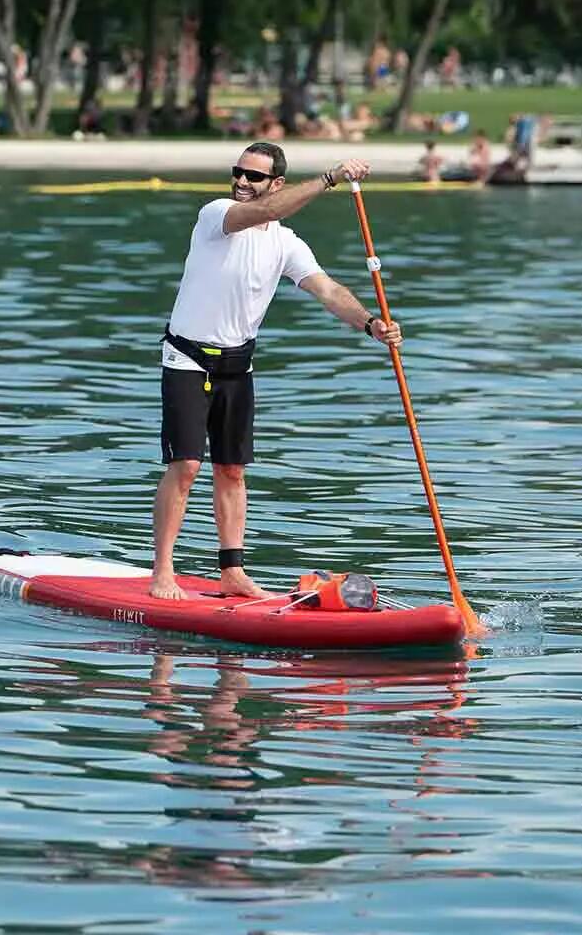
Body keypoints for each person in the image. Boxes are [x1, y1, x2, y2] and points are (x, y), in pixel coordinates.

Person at [152, 142, 402, 600]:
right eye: (239, 173)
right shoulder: (217, 215)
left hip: (237, 366)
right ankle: (163, 572)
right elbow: (256, 213)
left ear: (277, 183)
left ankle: (232, 572)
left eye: (255, 177)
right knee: (186, 465)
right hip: (186, 359)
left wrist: (371, 324)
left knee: (232, 470)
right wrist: (328, 179)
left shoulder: (286, 243)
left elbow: (327, 291)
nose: (243, 182)